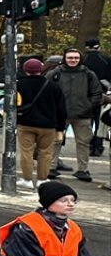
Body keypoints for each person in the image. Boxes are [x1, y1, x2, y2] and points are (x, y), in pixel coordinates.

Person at [51, 48, 102, 182]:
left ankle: (83, 169)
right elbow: (47, 90)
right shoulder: (55, 73)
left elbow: (97, 93)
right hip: (60, 114)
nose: (73, 60)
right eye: (70, 58)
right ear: (65, 58)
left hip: (83, 115)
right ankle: (51, 167)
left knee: (83, 142)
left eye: (75, 58)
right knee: (55, 141)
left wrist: (88, 106)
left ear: (80, 59)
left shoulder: (89, 74)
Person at [84, 39, 110, 157]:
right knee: (99, 122)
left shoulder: (82, 60)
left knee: (86, 121)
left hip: (85, 94)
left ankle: (88, 145)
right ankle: (97, 146)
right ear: (98, 47)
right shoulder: (106, 60)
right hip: (103, 94)